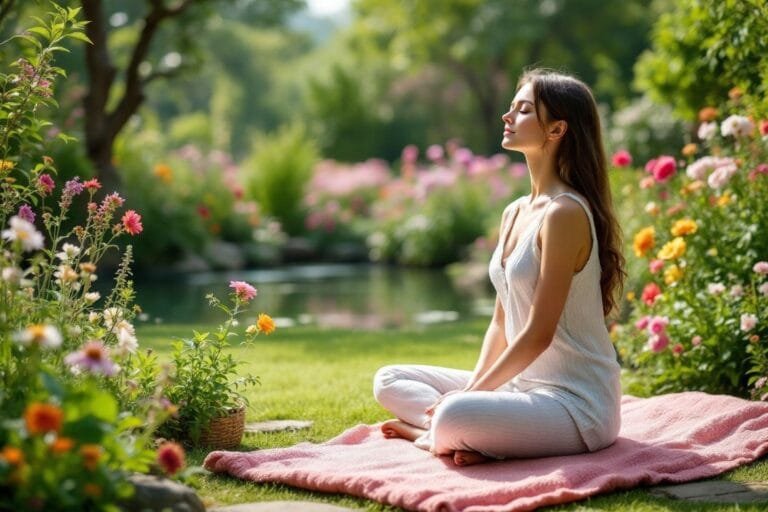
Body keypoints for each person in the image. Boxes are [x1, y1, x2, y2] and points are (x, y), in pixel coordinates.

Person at [372, 69, 626, 467]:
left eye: (523, 110)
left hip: (576, 405)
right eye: (510, 108)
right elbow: (499, 323)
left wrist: (467, 398)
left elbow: (538, 335)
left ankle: (440, 432)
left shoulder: (565, 213)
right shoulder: (514, 212)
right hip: (518, 389)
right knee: (389, 380)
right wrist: (476, 389)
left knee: (457, 413)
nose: (507, 117)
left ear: (557, 129)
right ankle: (453, 434)